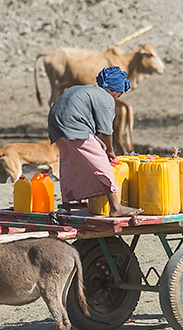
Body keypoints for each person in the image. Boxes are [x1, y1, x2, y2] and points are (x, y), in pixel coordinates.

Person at [47, 66, 142, 217]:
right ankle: (116, 207)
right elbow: (107, 130)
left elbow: (80, 113)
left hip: (56, 124)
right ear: (115, 90)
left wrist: (96, 140)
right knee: (101, 162)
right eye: (120, 94)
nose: (118, 98)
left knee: (69, 162)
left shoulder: (87, 90)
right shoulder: (106, 99)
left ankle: (65, 206)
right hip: (73, 123)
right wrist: (109, 150)